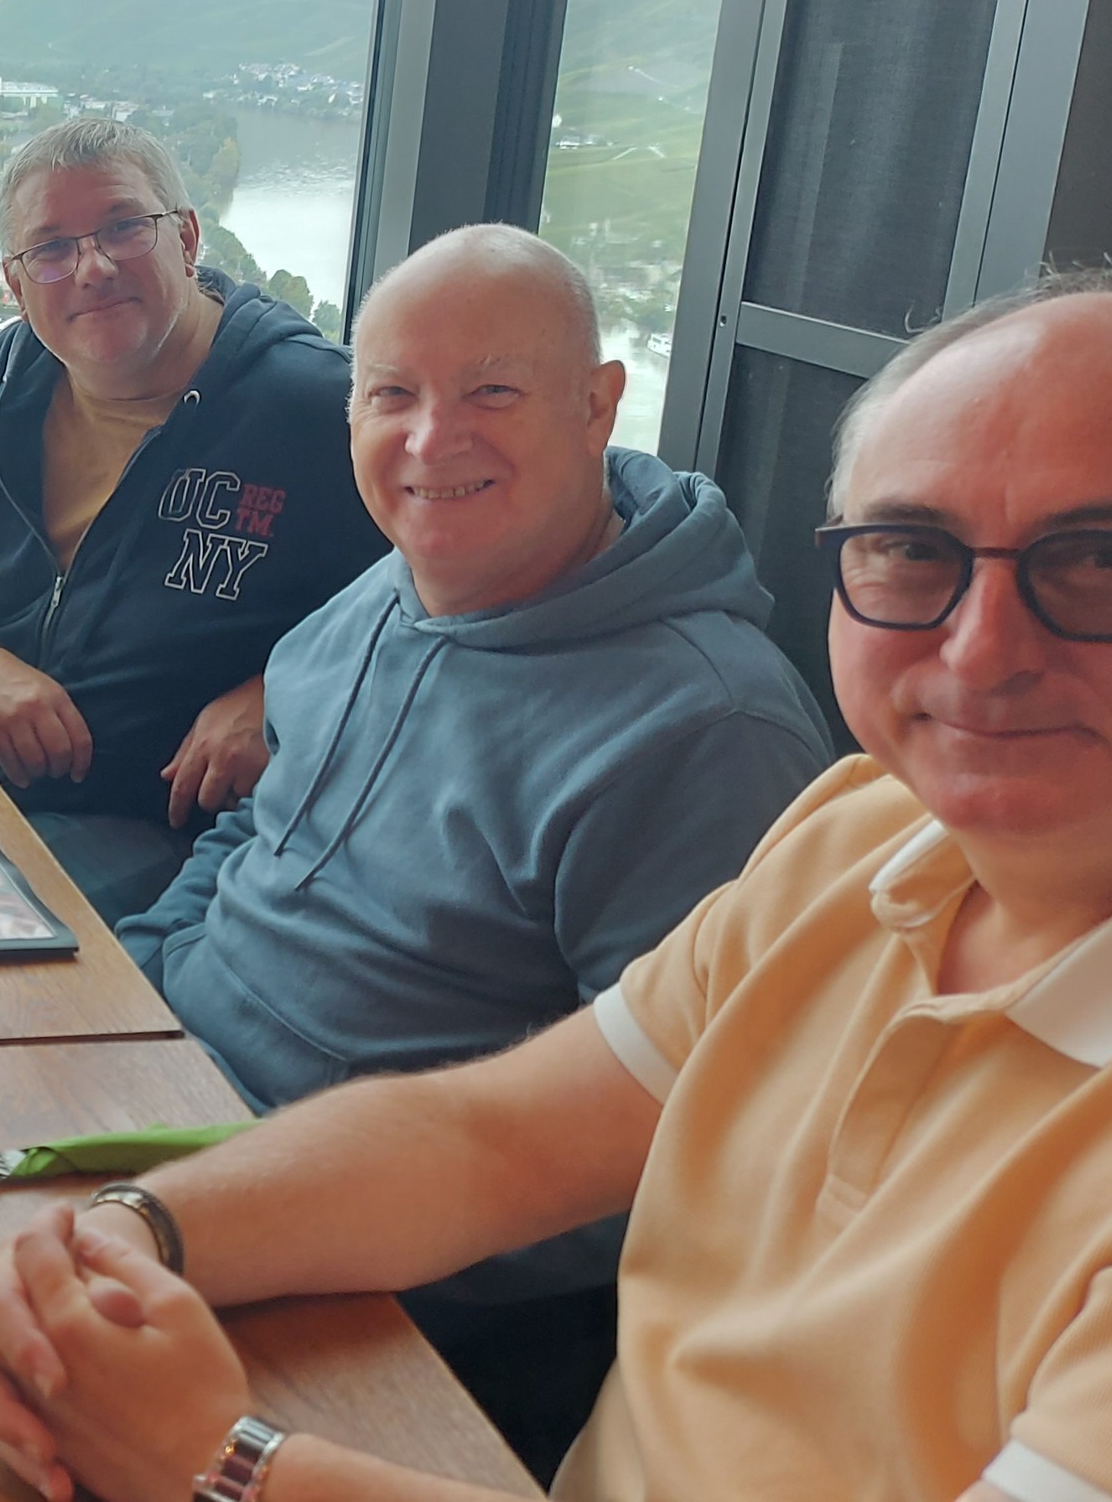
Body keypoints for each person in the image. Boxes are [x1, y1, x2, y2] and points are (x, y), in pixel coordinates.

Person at [0, 268, 1112, 1502]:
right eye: (911, 547)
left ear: (595, 409)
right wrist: (128, 1234)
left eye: (1110, 559)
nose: (984, 649)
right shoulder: (861, 841)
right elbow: (490, 1141)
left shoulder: (713, 731)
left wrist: (224, 1465)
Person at [109, 224, 830, 1471]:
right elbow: (255, 830)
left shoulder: (706, 732)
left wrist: (294, 1224)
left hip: (393, 1293)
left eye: (492, 391)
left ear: (597, 405)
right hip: (172, 1117)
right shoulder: (392, 588)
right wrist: (133, 997)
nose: (431, 442)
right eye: (391, 395)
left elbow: (679, 1160)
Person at [0, 118, 386, 921]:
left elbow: (453, 600)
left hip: (173, 832)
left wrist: (284, 695)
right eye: (51, 249)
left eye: (124, 227)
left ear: (187, 237)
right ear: (17, 286)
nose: (91, 267)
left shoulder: (314, 411)